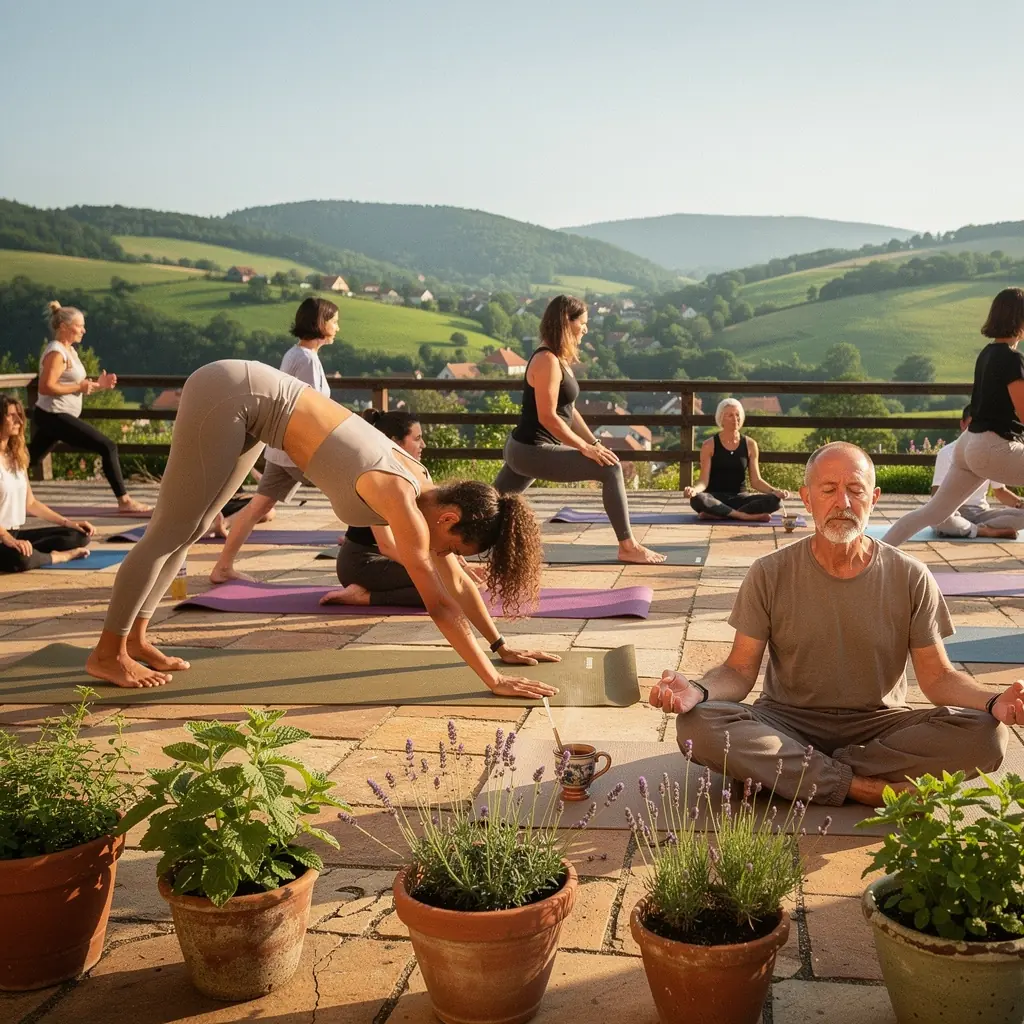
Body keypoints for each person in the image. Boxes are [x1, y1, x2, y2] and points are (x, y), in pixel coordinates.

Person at [85, 359, 560, 700]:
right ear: (449, 519)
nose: (444, 551)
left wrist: (501, 646)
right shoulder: (405, 501)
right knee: (169, 531)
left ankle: (135, 638)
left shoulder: (427, 490)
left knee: (194, 528)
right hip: (229, 391)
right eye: (452, 543)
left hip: (254, 407)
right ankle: (108, 652)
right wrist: (492, 681)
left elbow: (453, 580)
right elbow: (440, 604)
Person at [649, 442, 1017, 807]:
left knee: (987, 736)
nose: (842, 502)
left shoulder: (910, 575)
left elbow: (937, 678)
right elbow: (739, 670)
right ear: (807, 498)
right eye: (828, 490)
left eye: (855, 490)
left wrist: (994, 701)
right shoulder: (769, 572)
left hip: (879, 728)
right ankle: (860, 786)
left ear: (873, 499)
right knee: (697, 724)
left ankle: (799, 774)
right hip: (786, 722)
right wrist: (699, 689)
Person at [494, 294, 664, 564]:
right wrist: (584, 448)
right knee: (611, 469)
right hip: (530, 450)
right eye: (582, 323)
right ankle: (628, 546)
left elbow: (568, 413)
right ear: (565, 322)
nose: (586, 328)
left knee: (492, 505)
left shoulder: (559, 359)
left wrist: (594, 443)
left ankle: (453, 542)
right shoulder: (546, 360)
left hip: (523, 449)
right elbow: (549, 417)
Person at [209, 297, 338, 583]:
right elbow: (310, 409)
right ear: (320, 323)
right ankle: (369, 549)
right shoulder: (304, 359)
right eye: (334, 321)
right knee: (355, 488)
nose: (337, 327)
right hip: (298, 449)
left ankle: (223, 567)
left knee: (259, 507)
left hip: (283, 447)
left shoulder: (300, 355)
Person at [884, 288, 1024, 546]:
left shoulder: (987, 353)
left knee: (931, 513)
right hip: (992, 447)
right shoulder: (1012, 359)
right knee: (933, 513)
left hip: (968, 445)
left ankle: (875, 554)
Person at [322, 409, 488, 606]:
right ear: (395, 443)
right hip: (363, 562)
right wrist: (445, 571)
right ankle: (363, 597)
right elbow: (388, 546)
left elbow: (430, 532)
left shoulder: (417, 475)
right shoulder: (380, 479)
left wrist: (459, 566)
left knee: (452, 582)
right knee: (445, 587)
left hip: (384, 559)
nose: (423, 444)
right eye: (417, 438)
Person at [28, 302, 151, 514]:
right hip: (53, 415)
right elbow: (46, 387)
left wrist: (98, 385)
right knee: (107, 446)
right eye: (79, 326)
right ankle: (124, 501)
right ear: (64, 326)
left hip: (54, 415)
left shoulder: (70, 351)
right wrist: (80, 385)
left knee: (28, 458)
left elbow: (74, 386)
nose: (84, 330)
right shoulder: (56, 353)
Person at [0, 394, 92, 572]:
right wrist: (6, 538)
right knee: (21, 558)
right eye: (11, 415)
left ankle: (35, 554)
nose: (18, 419)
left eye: (19, 414)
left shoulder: (16, 456)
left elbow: (31, 503)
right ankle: (57, 556)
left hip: (15, 532)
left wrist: (68, 523)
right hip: (2, 536)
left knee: (78, 536)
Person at [683, 399, 789, 521]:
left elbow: (756, 481)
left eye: (737, 415)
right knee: (697, 499)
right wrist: (693, 490)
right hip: (715, 498)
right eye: (730, 415)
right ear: (721, 419)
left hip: (741, 499)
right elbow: (703, 482)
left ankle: (718, 515)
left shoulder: (750, 444)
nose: (735, 418)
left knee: (775, 501)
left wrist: (775, 491)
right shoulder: (709, 445)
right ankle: (744, 516)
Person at [929, 404, 1024, 540]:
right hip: (953, 510)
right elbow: (936, 496)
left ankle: (966, 529)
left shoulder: (990, 451)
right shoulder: (946, 453)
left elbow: (1000, 491)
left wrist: (1020, 504)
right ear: (962, 425)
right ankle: (985, 531)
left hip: (981, 513)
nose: (975, 432)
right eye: (971, 427)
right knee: (938, 519)